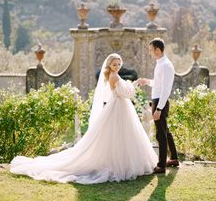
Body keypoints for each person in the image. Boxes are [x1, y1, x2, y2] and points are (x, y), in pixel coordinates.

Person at [10, 53, 158, 184]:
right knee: (117, 135)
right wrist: (136, 83)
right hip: (119, 107)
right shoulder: (113, 76)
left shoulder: (114, 75)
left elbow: (124, 91)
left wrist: (132, 84)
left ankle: (124, 163)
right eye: (114, 64)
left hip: (120, 107)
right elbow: (126, 94)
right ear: (109, 65)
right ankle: (120, 164)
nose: (117, 66)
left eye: (119, 64)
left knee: (121, 136)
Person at [140, 38, 179, 174]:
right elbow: (158, 84)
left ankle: (161, 166)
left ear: (158, 50)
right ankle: (174, 158)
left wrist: (159, 109)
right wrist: (147, 81)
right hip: (157, 100)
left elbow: (165, 90)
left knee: (160, 135)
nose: (150, 53)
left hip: (160, 102)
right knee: (165, 132)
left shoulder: (166, 65)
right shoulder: (160, 63)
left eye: (151, 50)